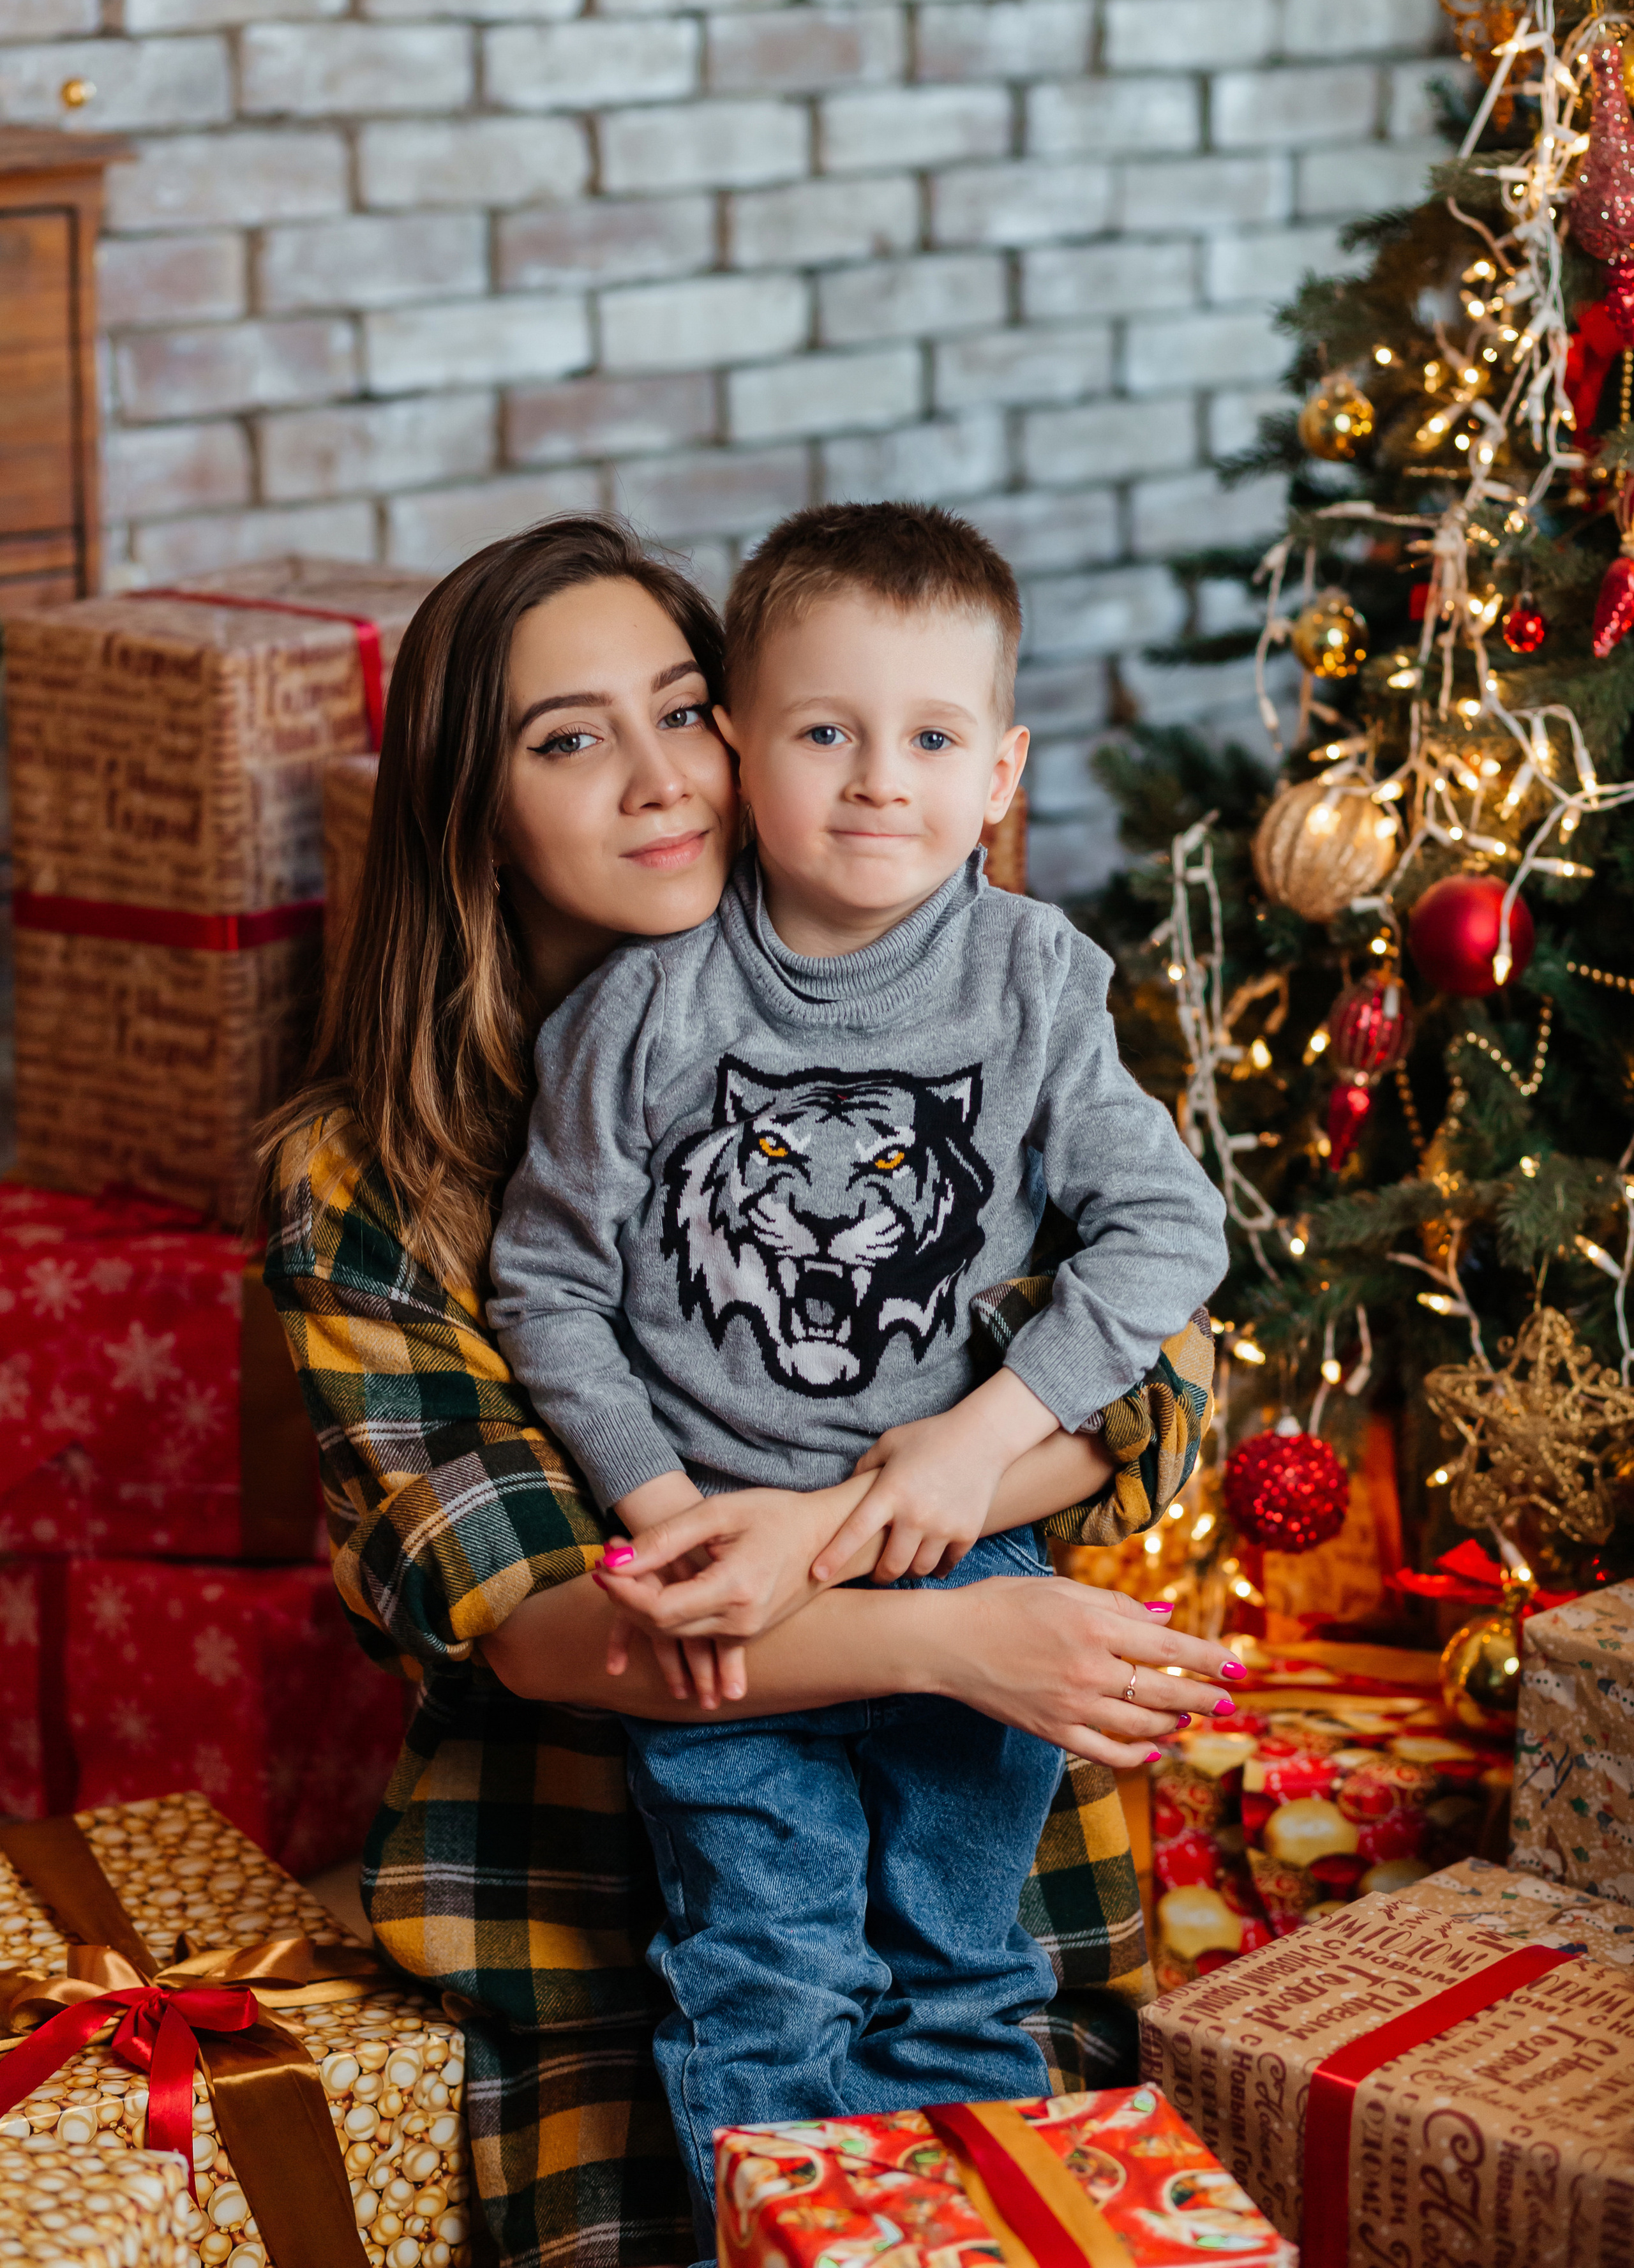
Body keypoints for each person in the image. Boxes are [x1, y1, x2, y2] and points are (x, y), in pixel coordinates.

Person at [260, 513, 1245, 2268]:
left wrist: (843, 1519)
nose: (659, 780)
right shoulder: (374, 1174)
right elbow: (538, 1620)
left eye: (684, 709)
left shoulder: (987, 988)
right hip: (588, 1917)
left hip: (1000, 1868)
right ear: (467, 811)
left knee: (1024, 2189)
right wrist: (937, 1629)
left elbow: (1152, 1379)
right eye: (569, 739)